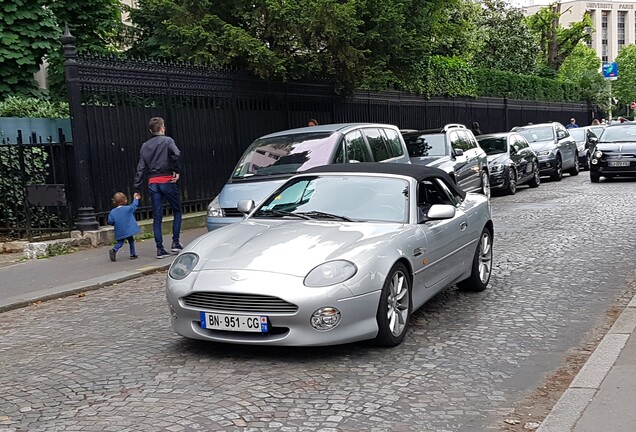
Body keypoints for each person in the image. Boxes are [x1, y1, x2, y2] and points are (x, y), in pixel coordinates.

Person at [133, 117, 183, 259]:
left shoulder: (145, 146)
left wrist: (136, 187)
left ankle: (160, 249)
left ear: (151, 130)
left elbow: (140, 168)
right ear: (162, 128)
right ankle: (175, 243)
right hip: (167, 179)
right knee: (177, 210)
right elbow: (177, 154)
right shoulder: (168, 141)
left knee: (157, 216)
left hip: (152, 182)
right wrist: (176, 170)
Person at [107, 192, 141, 261]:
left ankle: (114, 250)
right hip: (128, 229)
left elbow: (110, 221)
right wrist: (136, 198)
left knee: (120, 242)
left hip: (120, 230)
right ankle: (132, 254)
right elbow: (134, 205)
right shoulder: (128, 209)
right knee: (131, 241)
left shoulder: (112, 212)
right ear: (125, 200)